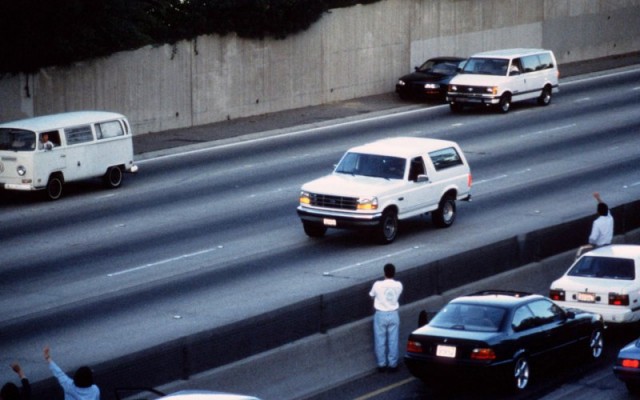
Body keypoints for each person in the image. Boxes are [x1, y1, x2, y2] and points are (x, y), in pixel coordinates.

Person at [369, 263, 403, 373]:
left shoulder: (377, 284)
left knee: (380, 340)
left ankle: (381, 364)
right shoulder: (398, 285)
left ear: (384, 273)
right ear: (394, 273)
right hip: (393, 314)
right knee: (393, 340)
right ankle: (393, 364)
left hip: (380, 314)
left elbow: (371, 295)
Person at [576, 192, 614, 258]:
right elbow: (605, 207)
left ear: (598, 212)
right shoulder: (610, 218)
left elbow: (593, 237)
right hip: (609, 246)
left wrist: (590, 242)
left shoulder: (597, 222)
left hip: (599, 248)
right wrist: (598, 198)